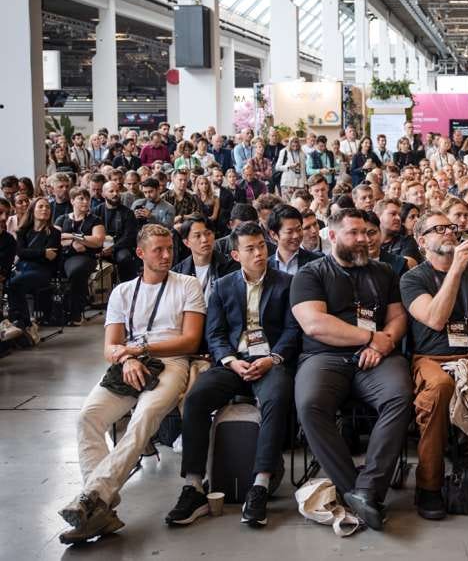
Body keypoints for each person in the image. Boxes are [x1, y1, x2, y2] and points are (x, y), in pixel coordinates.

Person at [59, 225, 205, 543]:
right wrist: (127, 359)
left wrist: (139, 350)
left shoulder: (187, 284)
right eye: (158, 250)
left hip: (171, 362)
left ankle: (92, 497)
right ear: (140, 253)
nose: (166, 255)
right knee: (87, 417)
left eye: (170, 249)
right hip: (130, 364)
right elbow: (110, 347)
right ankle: (101, 508)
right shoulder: (123, 292)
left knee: (144, 417)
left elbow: (190, 341)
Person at [167, 222, 300, 528]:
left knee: (276, 397)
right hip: (234, 362)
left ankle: (260, 485)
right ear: (236, 255)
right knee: (197, 397)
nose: (259, 253)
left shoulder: (286, 283)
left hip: (270, 362)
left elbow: (293, 331)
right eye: (250, 249)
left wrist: (272, 359)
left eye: (261, 246)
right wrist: (230, 361)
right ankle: (194, 486)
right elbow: (215, 333)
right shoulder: (223, 286)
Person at [291, 208, 413, 530]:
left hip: (378, 358)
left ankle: (368, 489)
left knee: (399, 396)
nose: (363, 239)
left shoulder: (384, 272)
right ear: (332, 236)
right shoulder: (310, 274)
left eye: (367, 233)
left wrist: (381, 344)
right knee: (310, 404)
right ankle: (357, 490)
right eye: (354, 233)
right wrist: (370, 337)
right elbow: (315, 324)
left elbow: (398, 317)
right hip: (324, 357)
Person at [400, 210, 468, 522]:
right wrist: (456, 269)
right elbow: (435, 319)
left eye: (451, 227)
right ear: (421, 241)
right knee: (438, 390)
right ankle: (429, 486)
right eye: (439, 228)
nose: (448, 232)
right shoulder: (412, 278)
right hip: (431, 357)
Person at [4, 198, 62, 340]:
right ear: (32, 210)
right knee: (10, 283)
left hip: (42, 271)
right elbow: (20, 252)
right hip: (23, 269)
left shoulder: (54, 232)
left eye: (47, 207)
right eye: (40, 206)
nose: (45, 209)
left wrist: (31, 254)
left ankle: (22, 323)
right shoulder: (23, 231)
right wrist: (42, 252)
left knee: (15, 284)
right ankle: (22, 324)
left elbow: (51, 257)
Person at [56, 187, 106, 325]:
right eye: (81, 199)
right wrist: (75, 242)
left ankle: (75, 313)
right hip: (64, 255)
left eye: (87, 199)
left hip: (86, 256)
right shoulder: (62, 219)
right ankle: (55, 312)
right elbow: (56, 239)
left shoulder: (95, 220)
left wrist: (72, 236)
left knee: (77, 271)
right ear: (72, 201)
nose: (85, 202)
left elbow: (97, 241)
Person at [172, 215, 239, 299]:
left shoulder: (230, 266)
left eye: (208, 234)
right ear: (186, 243)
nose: (204, 240)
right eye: (197, 236)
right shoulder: (178, 273)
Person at [266, 204, 319, 275]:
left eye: (299, 229)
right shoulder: (265, 267)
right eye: (289, 232)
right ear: (274, 234)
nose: (296, 236)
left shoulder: (317, 261)